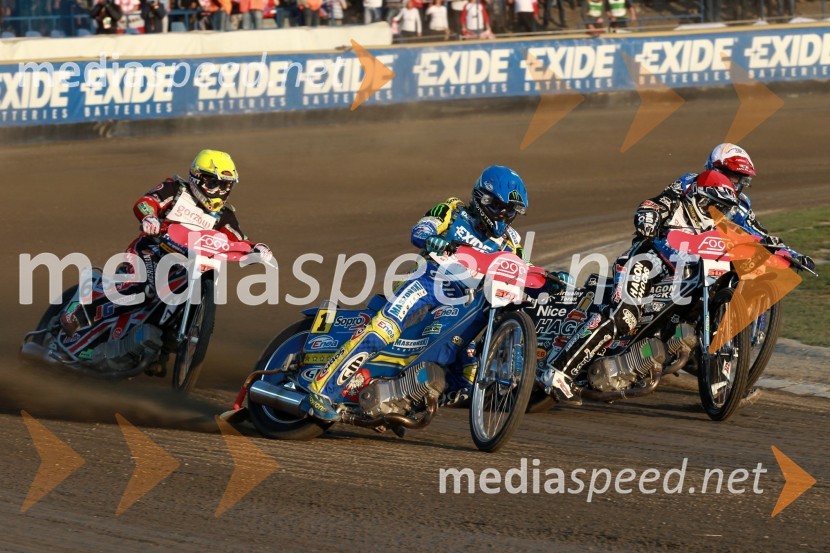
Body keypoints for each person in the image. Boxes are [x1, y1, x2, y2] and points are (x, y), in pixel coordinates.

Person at [541, 144, 814, 404]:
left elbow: (760, 234)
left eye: (741, 179)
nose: (736, 184)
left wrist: (789, 253)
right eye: (732, 175)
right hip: (651, 260)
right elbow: (655, 204)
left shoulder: (737, 204)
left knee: (721, 296)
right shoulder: (689, 184)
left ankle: (723, 380)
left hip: (695, 271)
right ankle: (560, 371)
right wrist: (648, 217)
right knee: (625, 316)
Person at [306, 166, 530, 418]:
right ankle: (322, 390)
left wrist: (547, 279)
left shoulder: (512, 240)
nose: (504, 215)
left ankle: (404, 398)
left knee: (465, 376)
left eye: (510, 210)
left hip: (465, 302)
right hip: (428, 282)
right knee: (384, 329)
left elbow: (520, 271)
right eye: (499, 207)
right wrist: (432, 239)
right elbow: (422, 229)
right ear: (483, 199)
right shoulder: (453, 209)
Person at [59, 150, 273, 353]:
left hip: (186, 266)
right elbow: (146, 202)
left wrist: (257, 248)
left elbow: (238, 239)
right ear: (196, 178)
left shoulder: (224, 215)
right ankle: (79, 310)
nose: (219, 191)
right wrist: (149, 217)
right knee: (140, 288)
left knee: (189, 291)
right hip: (152, 250)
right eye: (213, 183)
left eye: (225, 186)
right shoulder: (176, 189)